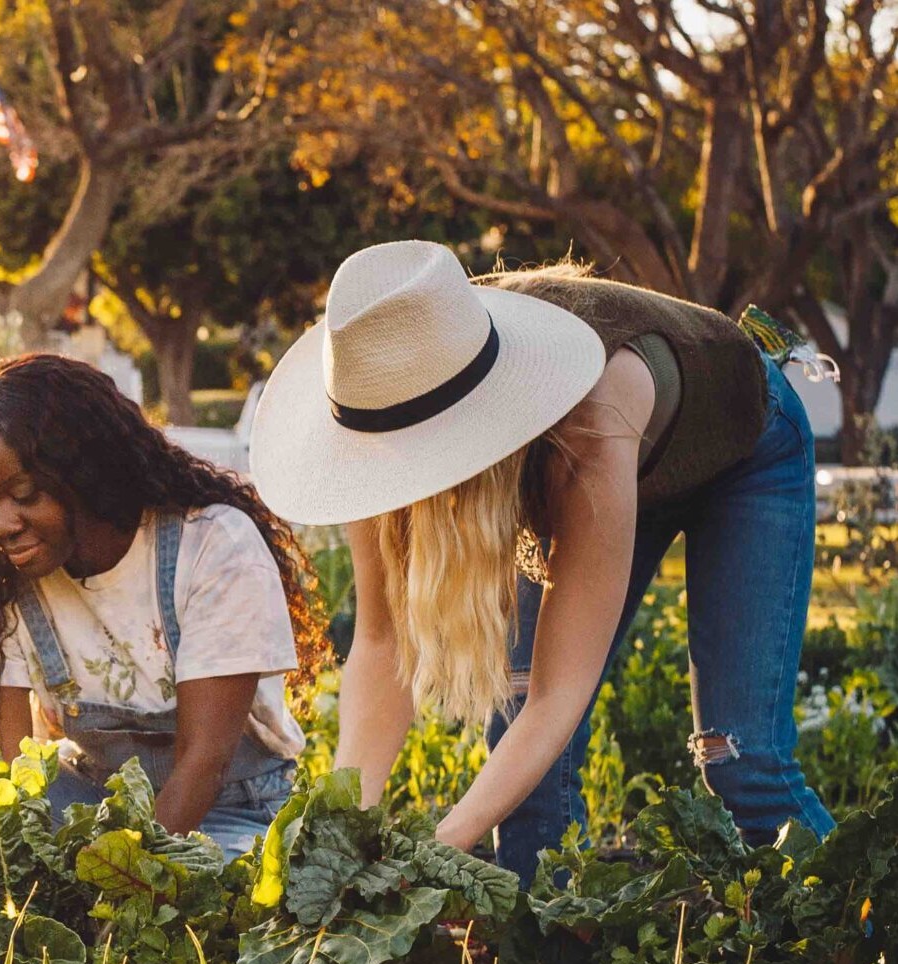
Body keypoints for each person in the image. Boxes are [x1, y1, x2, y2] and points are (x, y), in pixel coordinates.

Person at [248, 239, 835, 886]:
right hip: (606, 462)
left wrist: (435, 853)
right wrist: (340, 838)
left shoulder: (588, 419)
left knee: (741, 761)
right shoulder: (384, 400)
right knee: (523, 772)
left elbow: (559, 696)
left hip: (742, 446)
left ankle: (863, 952)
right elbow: (384, 643)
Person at [0, 352, 328, 862]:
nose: (3, 525)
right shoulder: (2, 575)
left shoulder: (210, 544)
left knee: (224, 880)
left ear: (84, 473)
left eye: (24, 494)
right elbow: (2, 775)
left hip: (228, 813)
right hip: (91, 799)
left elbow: (204, 760)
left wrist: (123, 879)